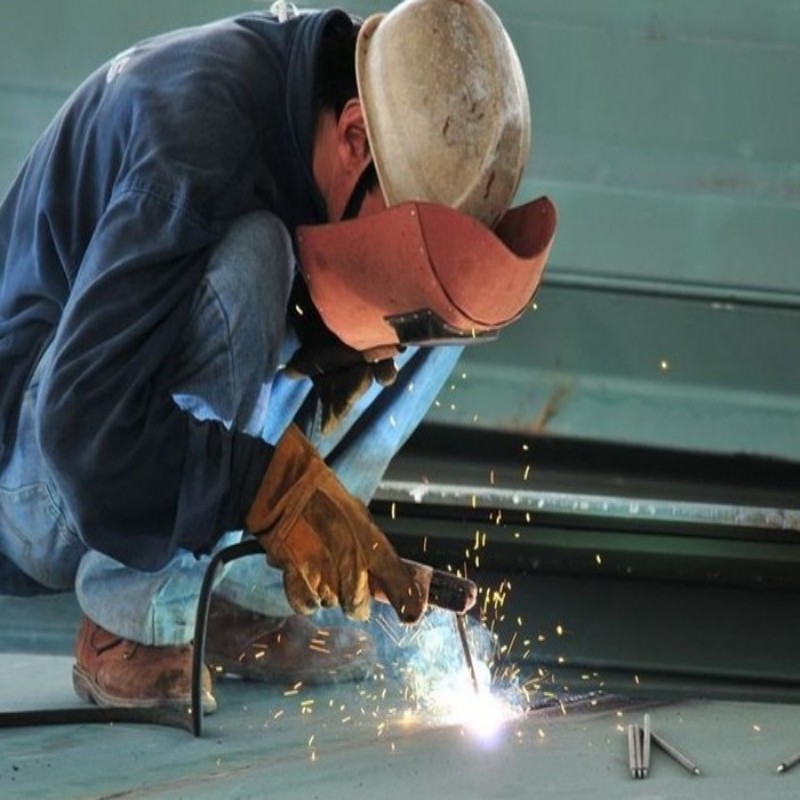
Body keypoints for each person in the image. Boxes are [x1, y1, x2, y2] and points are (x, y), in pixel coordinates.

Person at [0, 0, 553, 714]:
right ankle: (130, 622)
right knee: (255, 260)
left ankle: (239, 592)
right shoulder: (195, 146)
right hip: (36, 475)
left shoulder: (318, 113)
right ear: (355, 134)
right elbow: (82, 438)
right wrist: (271, 490)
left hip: (105, 452)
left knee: (437, 303)